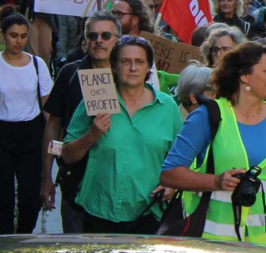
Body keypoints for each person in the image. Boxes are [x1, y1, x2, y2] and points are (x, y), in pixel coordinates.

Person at [161, 42, 266, 244]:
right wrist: (215, 182)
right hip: (212, 244)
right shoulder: (208, 115)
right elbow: (169, 174)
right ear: (244, 76)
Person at [62, 36, 181, 232]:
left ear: (149, 67)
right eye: (125, 61)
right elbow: (67, 154)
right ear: (114, 66)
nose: (133, 68)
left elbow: (181, 158)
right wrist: (91, 135)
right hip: (99, 210)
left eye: (139, 62)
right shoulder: (97, 100)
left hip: (148, 211)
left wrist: (173, 186)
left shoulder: (167, 107)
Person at [40, 10, 120, 233]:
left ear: (117, 40)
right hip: (74, 179)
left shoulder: (129, 77)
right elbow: (54, 126)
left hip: (115, 181)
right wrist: (47, 174)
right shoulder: (69, 73)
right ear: (86, 40)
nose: (99, 41)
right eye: (93, 36)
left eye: (106, 36)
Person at [0, 13, 52, 234]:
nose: (19, 41)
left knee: (31, 198)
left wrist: (55, 141)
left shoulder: (38, 66)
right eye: (13, 36)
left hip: (31, 135)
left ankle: (23, 237)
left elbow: (48, 108)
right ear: (3, 35)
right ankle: (2, 240)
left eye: (24, 36)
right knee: (0, 199)